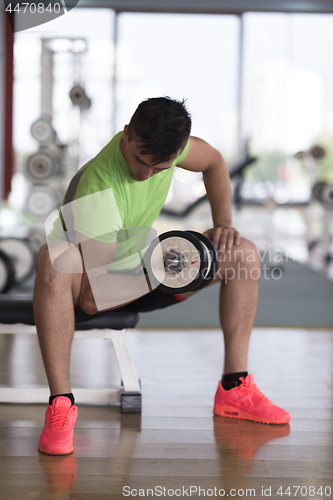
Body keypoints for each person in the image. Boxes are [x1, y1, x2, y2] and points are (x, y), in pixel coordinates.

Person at [34, 97, 290, 456]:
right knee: (53, 260)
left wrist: (224, 225)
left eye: (160, 168)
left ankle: (235, 388)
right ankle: (61, 405)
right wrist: (164, 269)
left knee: (243, 253)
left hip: (142, 269)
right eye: (140, 160)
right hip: (85, 292)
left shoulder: (173, 150)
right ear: (127, 135)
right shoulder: (99, 187)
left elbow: (214, 162)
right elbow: (94, 297)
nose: (145, 173)